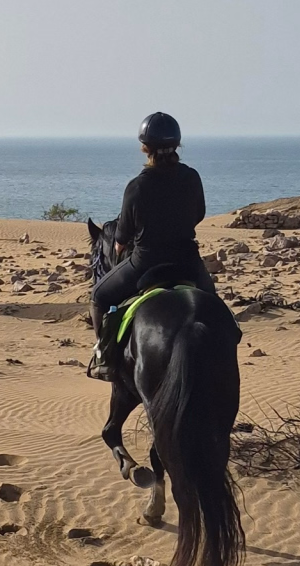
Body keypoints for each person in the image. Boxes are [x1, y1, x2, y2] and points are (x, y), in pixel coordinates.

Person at [88, 112, 211, 377]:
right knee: (215, 307)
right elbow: (199, 214)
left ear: (145, 148)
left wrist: (121, 246)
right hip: (187, 261)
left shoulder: (137, 186)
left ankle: (104, 357)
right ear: (177, 145)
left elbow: (121, 238)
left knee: (99, 297)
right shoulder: (192, 177)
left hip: (145, 263)